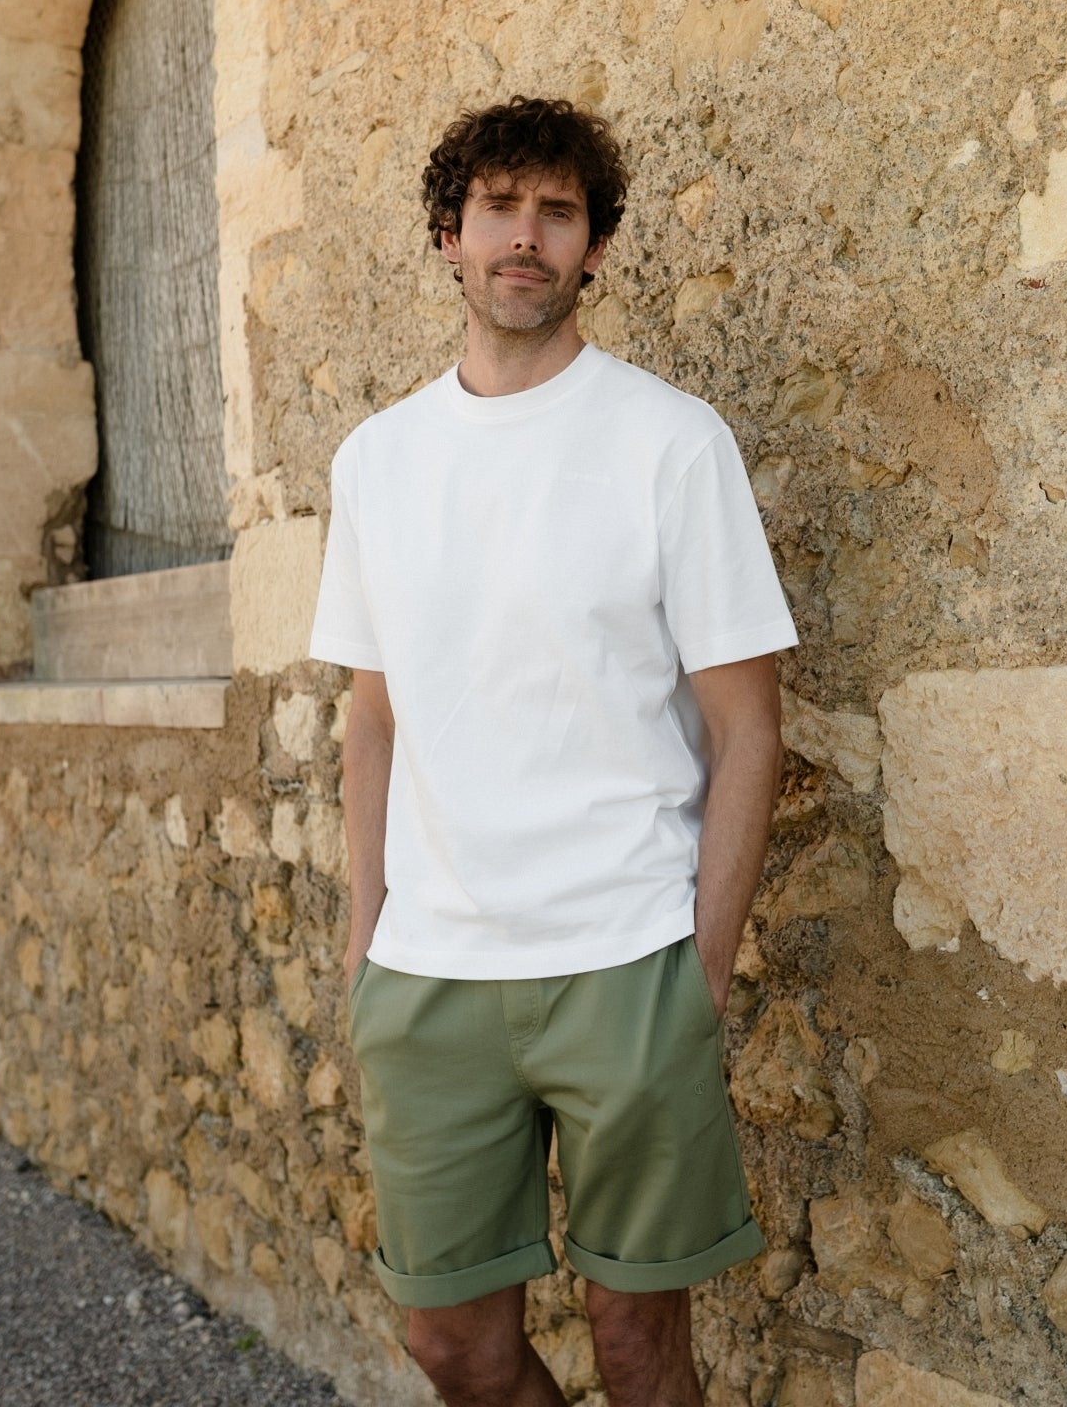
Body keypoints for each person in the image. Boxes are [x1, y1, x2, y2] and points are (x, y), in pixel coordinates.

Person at [308, 95, 797, 1407]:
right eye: (500, 208)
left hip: (627, 962)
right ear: (450, 234)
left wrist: (701, 971)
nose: (526, 236)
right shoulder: (378, 461)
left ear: (594, 246)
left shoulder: (671, 443)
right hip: (430, 976)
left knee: (639, 1345)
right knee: (451, 1346)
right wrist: (365, 946)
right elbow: (373, 717)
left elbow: (748, 726)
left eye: (559, 212)